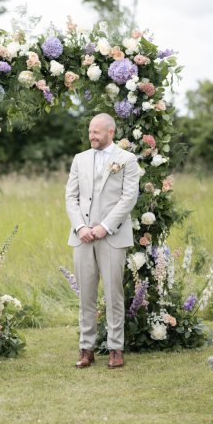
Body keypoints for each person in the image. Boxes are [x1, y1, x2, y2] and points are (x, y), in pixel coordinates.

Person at [65, 112, 139, 369]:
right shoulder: (80, 159)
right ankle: (87, 348)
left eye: (96, 132)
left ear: (111, 132)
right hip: (82, 237)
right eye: (90, 131)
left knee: (113, 292)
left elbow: (128, 198)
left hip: (112, 237)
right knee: (86, 294)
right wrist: (81, 227)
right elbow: (70, 197)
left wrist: (105, 227)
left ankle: (115, 348)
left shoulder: (127, 160)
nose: (91, 136)